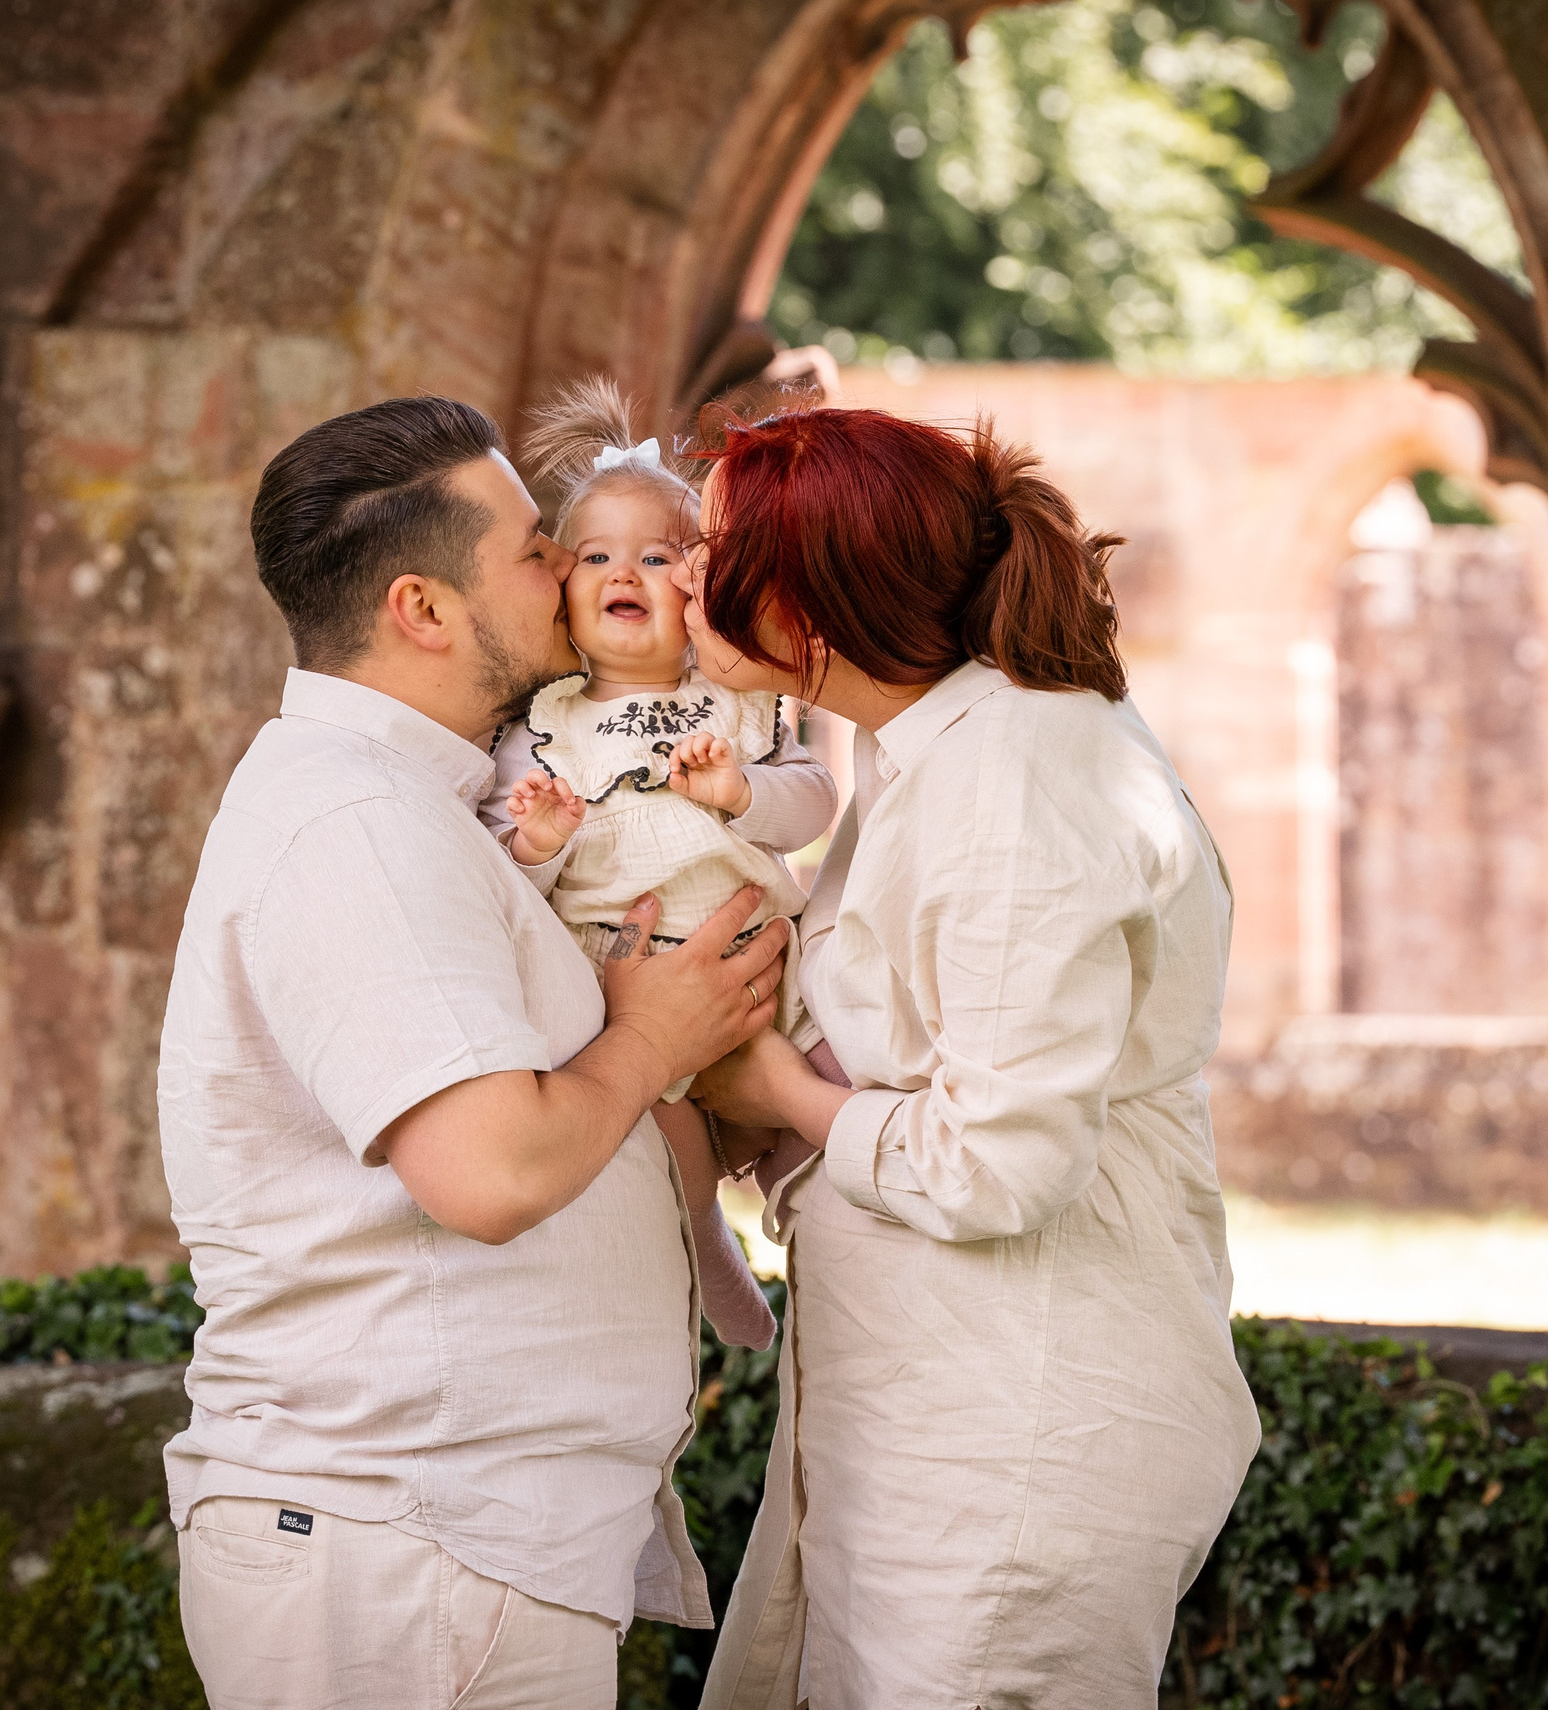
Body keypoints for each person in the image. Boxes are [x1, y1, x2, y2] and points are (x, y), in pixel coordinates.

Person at [157, 394, 788, 1710]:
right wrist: (652, 1031)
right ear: (425, 610)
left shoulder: (432, 810)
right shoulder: (360, 828)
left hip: (439, 1548)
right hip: (403, 1554)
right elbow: (491, 1169)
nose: (570, 568)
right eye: (530, 550)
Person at [680, 406, 1261, 1709]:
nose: (677, 573)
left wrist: (773, 1090)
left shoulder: (1013, 779)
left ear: (800, 605)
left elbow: (1005, 1160)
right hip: (928, 1412)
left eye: (709, 550)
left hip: (1015, 1439)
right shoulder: (932, 745)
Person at [480, 379, 840, 1353]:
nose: (622, 571)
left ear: (699, 589)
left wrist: (741, 796)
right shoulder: (540, 730)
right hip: (622, 979)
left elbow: (816, 802)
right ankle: (706, 1253)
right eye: (593, 555)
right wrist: (538, 844)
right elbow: (500, 893)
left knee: (841, 1077)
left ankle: (837, 1249)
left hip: (766, 960)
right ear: (559, 587)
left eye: (656, 555)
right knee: (660, 1131)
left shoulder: (737, 703)